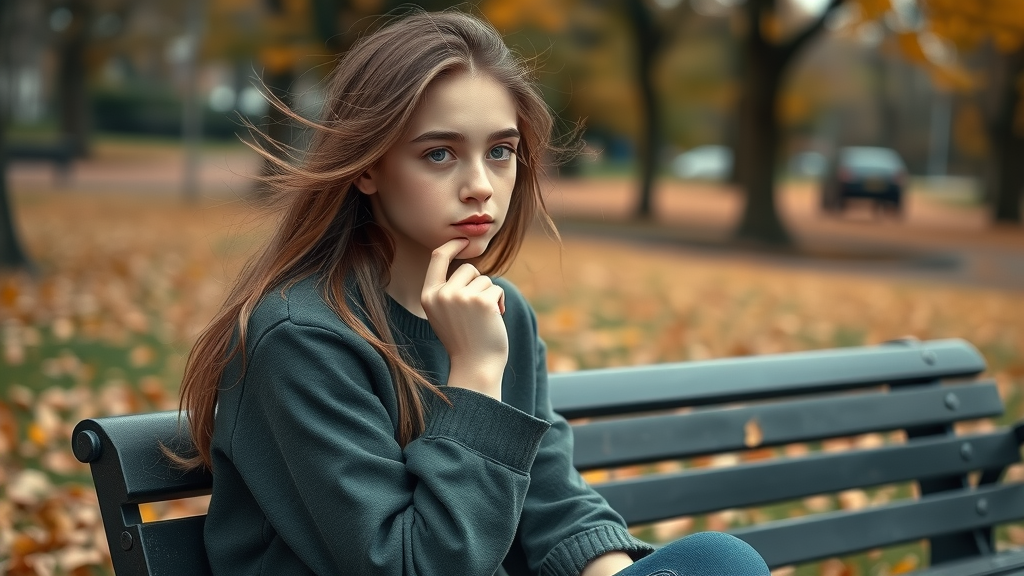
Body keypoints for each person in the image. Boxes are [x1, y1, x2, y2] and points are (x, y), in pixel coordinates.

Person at [175, 9, 771, 576]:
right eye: (439, 153)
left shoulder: (499, 309)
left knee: (721, 562)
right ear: (367, 166)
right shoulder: (301, 338)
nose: (481, 186)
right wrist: (477, 372)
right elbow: (419, 564)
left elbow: (549, 493)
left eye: (501, 151)